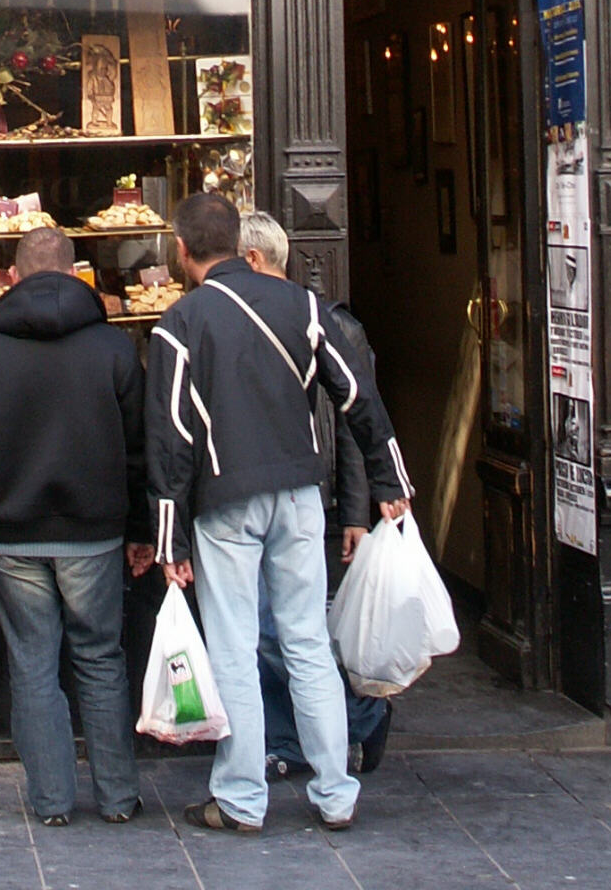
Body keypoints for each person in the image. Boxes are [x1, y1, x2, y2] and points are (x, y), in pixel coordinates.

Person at [145, 192, 411, 834]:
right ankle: (337, 793)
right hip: (299, 494)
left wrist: (168, 540)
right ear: (239, 242)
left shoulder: (179, 323)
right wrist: (388, 478)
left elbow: (170, 437)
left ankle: (240, 799)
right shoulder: (304, 306)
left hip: (225, 500)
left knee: (234, 648)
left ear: (182, 251)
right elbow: (358, 396)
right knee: (308, 643)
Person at [0, 226, 154, 827]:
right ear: (77, 272)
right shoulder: (113, 349)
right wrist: (142, 527)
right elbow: (139, 452)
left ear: (13, 276)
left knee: (33, 664)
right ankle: (118, 797)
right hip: (94, 532)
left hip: (12, 535)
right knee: (102, 659)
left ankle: (53, 801)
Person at [237, 211, 396, 779]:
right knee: (266, 629)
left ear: (253, 261)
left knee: (289, 630)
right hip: (271, 489)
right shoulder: (246, 321)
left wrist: (358, 509)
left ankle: (361, 716)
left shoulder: (329, 323)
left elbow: (360, 423)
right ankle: (287, 739)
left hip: (315, 496)